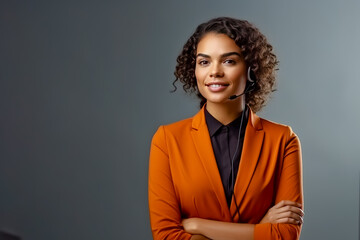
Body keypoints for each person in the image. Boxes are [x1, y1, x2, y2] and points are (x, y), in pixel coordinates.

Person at [148, 17, 304, 240]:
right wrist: (262, 227)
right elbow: (165, 236)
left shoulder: (283, 140)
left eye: (229, 61)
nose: (214, 72)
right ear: (194, 70)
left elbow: (286, 235)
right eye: (204, 62)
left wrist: (196, 225)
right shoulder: (167, 140)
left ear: (251, 69)